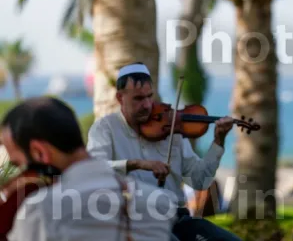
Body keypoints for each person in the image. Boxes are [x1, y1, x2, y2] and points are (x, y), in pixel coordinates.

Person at [86, 62, 241, 241]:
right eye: (138, 99)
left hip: (177, 218)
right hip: (136, 222)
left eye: (149, 97)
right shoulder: (105, 129)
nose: (146, 105)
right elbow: (94, 171)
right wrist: (138, 164)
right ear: (120, 98)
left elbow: (201, 180)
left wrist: (218, 141)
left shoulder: (170, 129)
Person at [1, 96, 177, 240]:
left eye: (18, 164)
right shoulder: (159, 202)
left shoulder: (41, 211)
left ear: (39, 152)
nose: (20, 177)